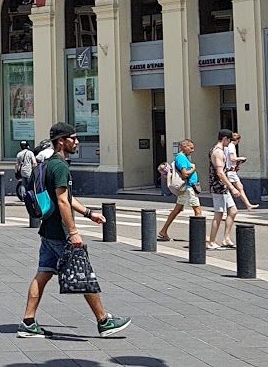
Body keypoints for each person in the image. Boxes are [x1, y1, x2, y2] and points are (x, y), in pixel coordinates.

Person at [17, 121, 130, 339]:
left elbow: (66, 198)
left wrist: (89, 213)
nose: (77, 142)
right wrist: (73, 232)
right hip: (60, 233)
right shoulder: (60, 167)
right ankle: (104, 321)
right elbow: (62, 201)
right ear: (61, 141)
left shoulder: (48, 164)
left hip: (48, 231)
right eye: (73, 138)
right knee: (83, 273)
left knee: (42, 274)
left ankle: (28, 322)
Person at [157, 139, 202, 242]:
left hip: (187, 188)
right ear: (184, 147)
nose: (193, 150)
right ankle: (200, 235)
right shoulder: (181, 158)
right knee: (197, 210)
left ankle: (163, 231)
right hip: (188, 188)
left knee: (177, 210)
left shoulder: (181, 157)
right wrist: (193, 168)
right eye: (191, 148)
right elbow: (185, 174)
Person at [208, 130, 237, 249]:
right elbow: (220, 172)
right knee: (219, 214)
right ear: (225, 139)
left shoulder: (216, 150)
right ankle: (212, 241)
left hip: (222, 186)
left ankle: (226, 239)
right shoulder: (218, 152)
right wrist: (232, 187)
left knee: (233, 211)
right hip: (218, 186)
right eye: (229, 140)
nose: (229, 143)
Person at [227, 131, 258, 211]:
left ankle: (248, 205)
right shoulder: (231, 146)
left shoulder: (228, 146)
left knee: (239, 187)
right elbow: (232, 158)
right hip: (230, 171)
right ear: (237, 140)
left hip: (231, 171)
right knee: (233, 188)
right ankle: (230, 206)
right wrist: (241, 158)